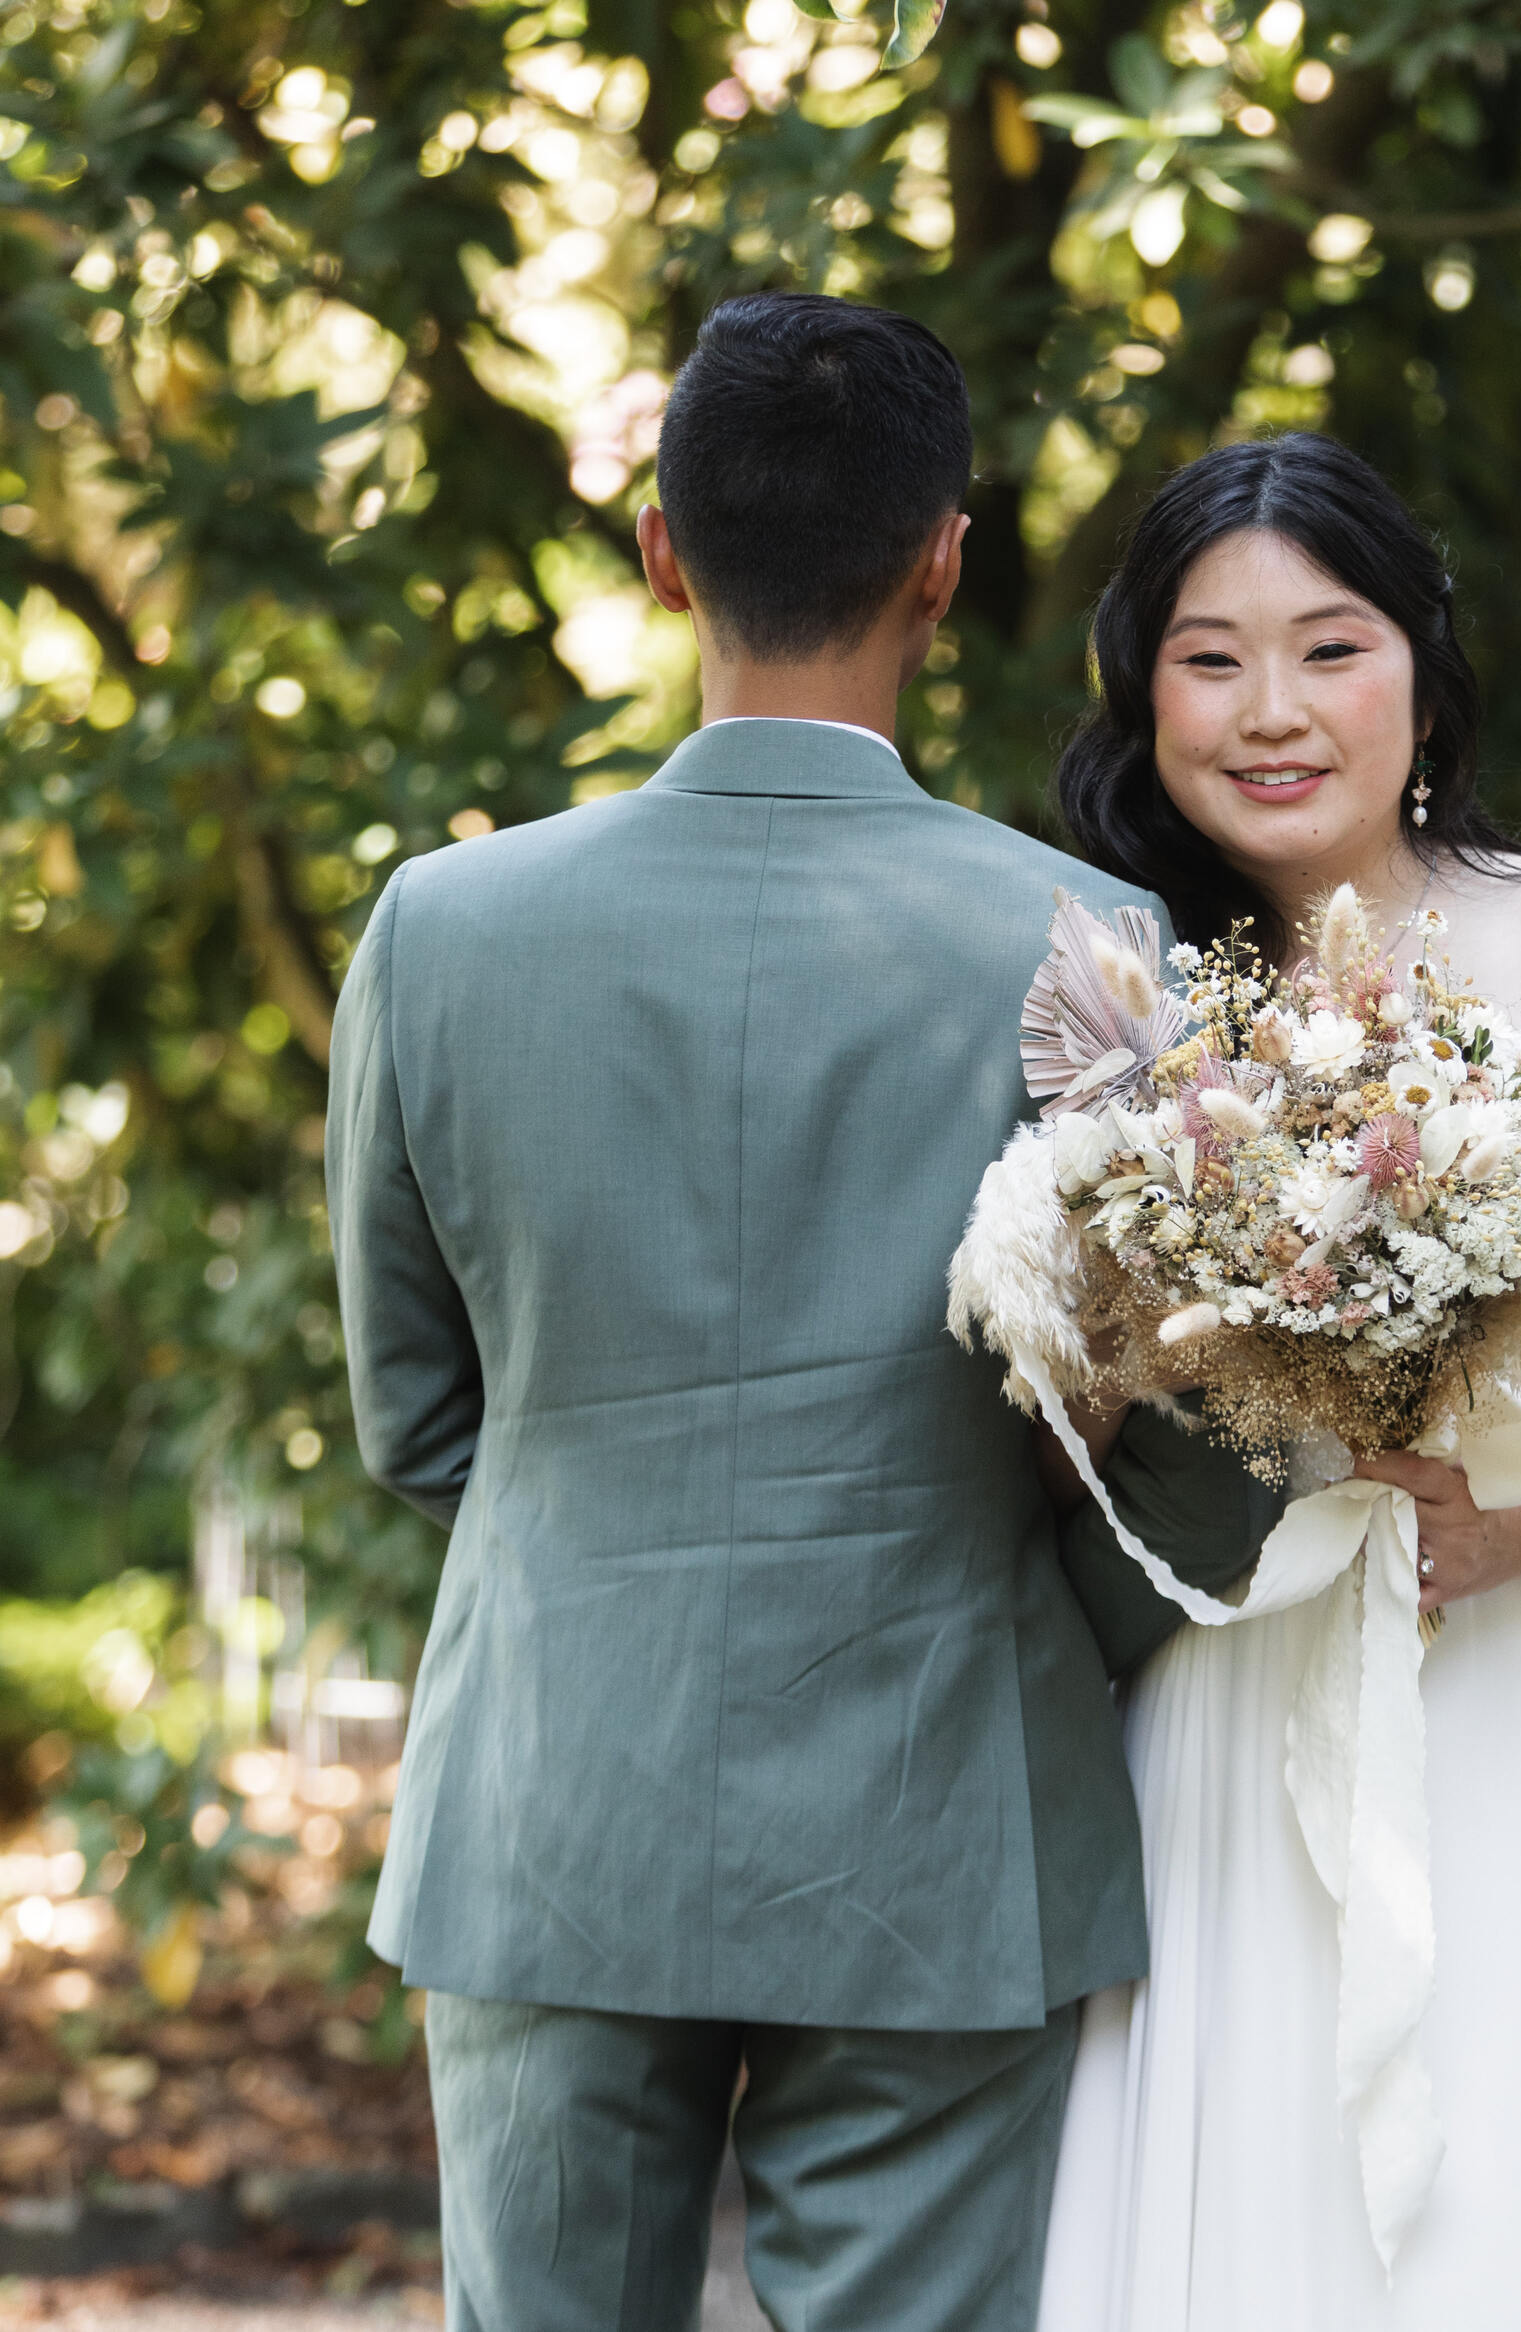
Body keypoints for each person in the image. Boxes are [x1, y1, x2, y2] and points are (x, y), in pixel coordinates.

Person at [323, 293, 1279, 2332]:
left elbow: (417, 1417)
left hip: (550, 1800)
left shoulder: (440, 929)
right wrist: (1020, 1627)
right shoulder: (1095, 944)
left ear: (662, 548)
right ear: (945, 554)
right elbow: (1205, 1449)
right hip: (945, 1803)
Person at [1036, 431, 1521, 2330]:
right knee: (1263, 2183)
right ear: (1144, 688)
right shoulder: (1112, 1000)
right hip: (1245, 1678)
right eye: (1211, 659)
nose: (1273, 710)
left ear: (1420, 666)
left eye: (1331, 646)